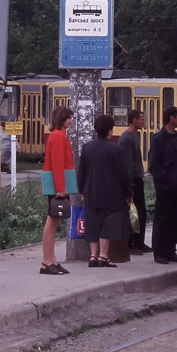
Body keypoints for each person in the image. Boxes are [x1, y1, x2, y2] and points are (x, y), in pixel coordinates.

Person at [78, 115, 132, 268]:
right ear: (110, 130)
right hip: (111, 195)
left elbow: (82, 172)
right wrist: (129, 193)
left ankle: (93, 256)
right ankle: (103, 256)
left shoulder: (87, 147)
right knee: (107, 225)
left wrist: (82, 190)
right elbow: (123, 174)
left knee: (93, 225)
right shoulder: (116, 149)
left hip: (91, 193)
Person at [147, 106, 177, 264]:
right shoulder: (159, 138)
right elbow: (154, 165)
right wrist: (166, 181)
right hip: (165, 187)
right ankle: (159, 252)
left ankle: (171, 251)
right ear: (171, 118)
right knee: (162, 220)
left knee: (173, 219)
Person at [40, 106, 74, 275]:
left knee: (54, 222)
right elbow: (58, 164)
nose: (71, 120)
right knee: (52, 222)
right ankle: (47, 261)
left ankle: (51, 260)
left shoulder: (58, 135)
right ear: (61, 119)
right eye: (68, 118)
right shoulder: (59, 136)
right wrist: (61, 189)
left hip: (56, 185)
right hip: (57, 186)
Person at [118, 109, 151, 253]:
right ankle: (131, 243)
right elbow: (126, 164)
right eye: (142, 119)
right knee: (134, 213)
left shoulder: (134, 136)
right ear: (134, 121)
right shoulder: (126, 138)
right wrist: (129, 186)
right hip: (132, 181)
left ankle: (139, 242)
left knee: (141, 213)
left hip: (138, 179)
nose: (144, 122)